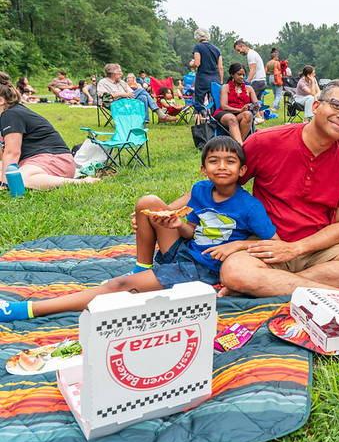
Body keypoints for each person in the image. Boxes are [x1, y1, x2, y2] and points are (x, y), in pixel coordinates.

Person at [0, 137, 277, 321]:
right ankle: (143, 267)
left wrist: (238, 248)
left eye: (230, 161)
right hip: (186, 251)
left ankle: (26, 309)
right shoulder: (201, 189)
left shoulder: (250, 207)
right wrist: (178, 223)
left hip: (203, 270)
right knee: (149, 203)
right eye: (214, 161)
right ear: (204, 169)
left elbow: (275, 245)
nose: (222, 166)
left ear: (243, 170)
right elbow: (194, 231)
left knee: (119, 286)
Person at [203, 80, 339, 301]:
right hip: (266, 241)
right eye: (337, 106)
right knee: (235, 271)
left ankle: (269, 284)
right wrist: (176, 213)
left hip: (318, 247)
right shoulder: (264, 141)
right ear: (316, 106)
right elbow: (221, 187)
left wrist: (294, 249)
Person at [0, 72, 99, 190]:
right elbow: (3, 156)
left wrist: (4, 185)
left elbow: (12, 153)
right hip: (32, 162)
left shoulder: (11, 114)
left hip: (54, 159)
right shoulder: (6, 116)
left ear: (1, 101)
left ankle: (80, 182)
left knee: (19, 179)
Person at [97, 63, 177, 123]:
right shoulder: (103, 82)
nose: (121, 74)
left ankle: (144, 120)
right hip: (115, 103)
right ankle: (160, 114)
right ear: (112, 73)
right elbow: (103, 96)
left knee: (143, 97)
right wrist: (122, 94)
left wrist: (127, 94)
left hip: (126, 100)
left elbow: (131, 92)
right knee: (142, 90)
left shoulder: (121, 82)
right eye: (119, 72)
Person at [214, 63, 259, 145]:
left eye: (243, 75)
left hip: (241, 114)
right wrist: (239, 110)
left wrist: (255, 107)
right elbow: (223, 106)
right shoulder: (225, 87)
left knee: (248, 114)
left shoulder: (249, 89)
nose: (242, 77)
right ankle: (241, 146)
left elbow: (256, 103)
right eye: (239, 74)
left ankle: (237, 145)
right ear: (232, 74)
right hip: (225, 113)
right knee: (232, 118)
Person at [192, 28, 224, 116]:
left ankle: (198, 125)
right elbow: (220, 67)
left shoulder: (198, 47)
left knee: (199, 103)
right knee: (215, 101)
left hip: (202, 78)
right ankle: (214, 121)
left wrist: (192, 64)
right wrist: (220, 81)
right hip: (215, 79)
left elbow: (197, 63)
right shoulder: (217, 49)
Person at [234, 39, 267, 124]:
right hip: (262, 80)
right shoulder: (253, 53)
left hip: (257, 80)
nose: (238, 52)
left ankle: (258, 118)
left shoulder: (250, 55)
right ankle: (262, 118)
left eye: (238, 50)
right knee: (257, 100)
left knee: (249, 100)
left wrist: (245, 83)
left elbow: (252, 70)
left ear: (244, 46)